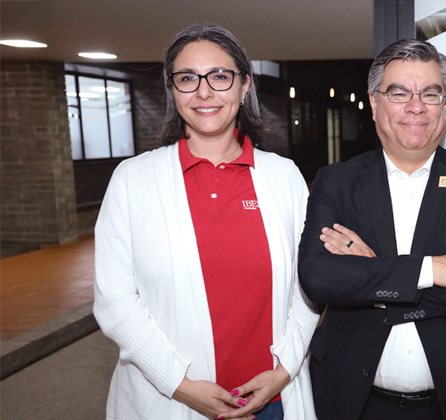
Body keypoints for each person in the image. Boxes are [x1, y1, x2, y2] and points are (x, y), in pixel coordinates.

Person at [94, 23, 317, 420]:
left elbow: (309, 286)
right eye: (187, 78)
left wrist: (283, 373)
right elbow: (114, 301)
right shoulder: (133, 179)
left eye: (219, 76)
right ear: (172, 89)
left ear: (244, 86)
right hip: (167, 402)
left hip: (273, 403)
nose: (204, 91)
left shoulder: (284, 177)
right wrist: (181, 386)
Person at [297, 39, 446, 420]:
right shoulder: (336, 182)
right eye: (399, 93)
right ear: (374, 102)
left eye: (430, 93)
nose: (416, 106)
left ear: (444, 104)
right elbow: (318, 277)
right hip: (354, 402)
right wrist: (433, 270)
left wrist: (372, 277)